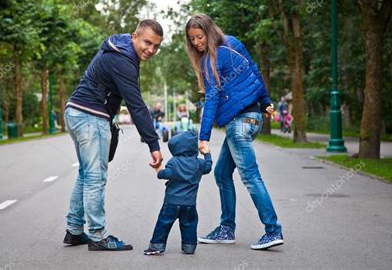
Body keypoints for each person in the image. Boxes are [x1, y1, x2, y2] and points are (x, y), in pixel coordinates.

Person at [184, 13, 284, 250]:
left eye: (199, 37)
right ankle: (226, 228)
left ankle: (273, 230)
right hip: (253, 118)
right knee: (221, 173)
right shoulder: (234, 43)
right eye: (192, 40)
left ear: (209, 32)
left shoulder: (211, 60)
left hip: (239, 124)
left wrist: (204, 137)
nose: (197, 43)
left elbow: (212, 97)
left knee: (250, 176)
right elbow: (254, 72)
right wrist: (265, 101)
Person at [63, 19, 164, 251]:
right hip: (90, 115)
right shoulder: (124, 61)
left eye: (156, 46)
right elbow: (136, 105)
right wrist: (153, 143)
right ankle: (98, 236)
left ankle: (75, 230)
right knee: (96, 177)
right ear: (134, 36)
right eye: (147, 42)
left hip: (75, 111)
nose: (151, 50)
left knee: (86, 174)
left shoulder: (117, 48)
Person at [144, 131, 212, 255]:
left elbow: (166, 174)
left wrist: (158, 169)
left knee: (163, 223)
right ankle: (189, 246)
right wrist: (207, 154)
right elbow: (208, 167)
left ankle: (156, 246)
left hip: (171, 203)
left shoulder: (173, 162)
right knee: (189, 224)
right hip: (190, 204)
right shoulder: (199, 164)